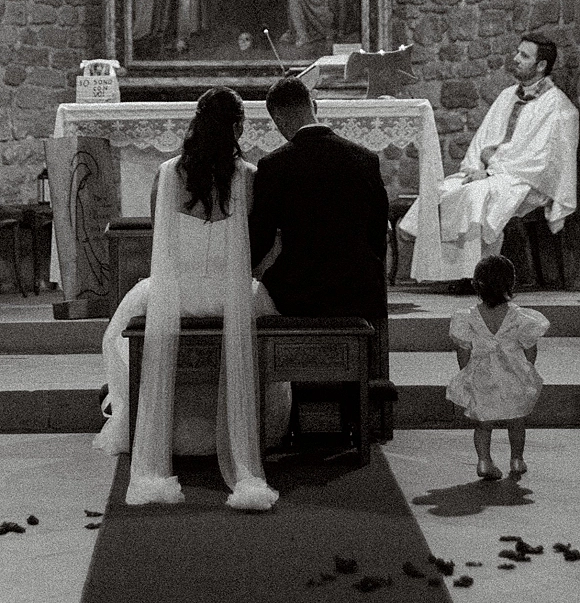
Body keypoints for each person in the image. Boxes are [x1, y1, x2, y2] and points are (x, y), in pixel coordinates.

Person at [94, 87, 290, 510]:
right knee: (267, 314)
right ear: (238, 127)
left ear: (196, 124)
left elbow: (158, 241)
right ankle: (256, 439)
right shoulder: (250, 176)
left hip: (175, 294)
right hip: (231, 297)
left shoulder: (165, 174)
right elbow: (263, 245)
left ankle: (156, 437)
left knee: (116, 330)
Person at [400, 33, 579, 288]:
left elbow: (543, 161)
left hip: (524, 181)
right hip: (491, 173)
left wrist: (492, 173)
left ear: (541, 66)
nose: (515, 58)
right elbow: (482, 140)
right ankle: (449, 273)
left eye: (524, 56)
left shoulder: (559, 108)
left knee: (475, 197)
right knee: (443, 190)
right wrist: (475, 168)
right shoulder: (507, 95)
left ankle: (478, 277)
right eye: (517, 52)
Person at [249, 77, 390, 319]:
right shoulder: (365, 159)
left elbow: (261, 238)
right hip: (358, 288)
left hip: (299, 291)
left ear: (278, 120)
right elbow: (377, 233)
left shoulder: (273, 166)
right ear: (314, 106)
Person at [446, 255, 549, 479]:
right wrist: (526, 368)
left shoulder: (468, 317)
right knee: (517, 419)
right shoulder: (520, 316)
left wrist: (466, 371)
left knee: (483, 422)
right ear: (511, 283)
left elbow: (463, 349)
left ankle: (484, 461)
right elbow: (530, 347)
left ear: (476, 284)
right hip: (513, 371)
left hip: (482, 372)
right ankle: (517, 459)